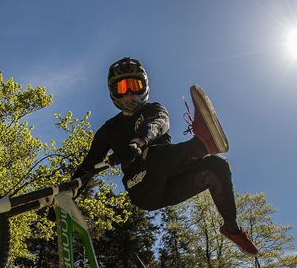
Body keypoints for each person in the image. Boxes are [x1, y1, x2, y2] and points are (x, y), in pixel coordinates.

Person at [73, 57, 258, 257]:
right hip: (142, 187)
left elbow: (156, 124)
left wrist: (137, 142)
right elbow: (87, 166)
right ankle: (203, 143)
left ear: (144, 87)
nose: (129, 94)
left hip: (172, 181)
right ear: (113, 92)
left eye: (134, 85)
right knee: (152, 157)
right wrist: (67, 196)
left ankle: (231, 230)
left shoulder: (155, 109)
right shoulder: (108, 130)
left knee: (217, 165)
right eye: (122, 88)